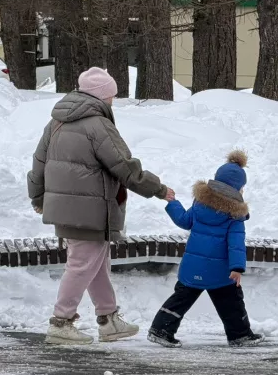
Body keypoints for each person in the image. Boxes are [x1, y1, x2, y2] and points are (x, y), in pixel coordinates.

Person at [28, 66, 175, 345]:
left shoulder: (56, 123)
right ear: (100, 96)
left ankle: (108, 320)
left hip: (70, 208)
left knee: (96, 264)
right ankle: (61, 321)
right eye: (111, 96)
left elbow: (39, 163)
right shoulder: (98, 124)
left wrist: (38, 198)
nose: (112, 101)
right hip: (91, 210)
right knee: (83, 264)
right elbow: (125, 167)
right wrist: (158, 189)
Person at [147, 151, 263, 347]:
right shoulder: (235, 215)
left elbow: (184, 221)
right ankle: (240, 335)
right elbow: (236, 243)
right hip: (219, 271)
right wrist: (237, 268)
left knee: (181, 298)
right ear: (237, 189)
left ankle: (161, 329)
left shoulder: (200, 204)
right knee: (231, 302)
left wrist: (173, 203)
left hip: (193, 266)